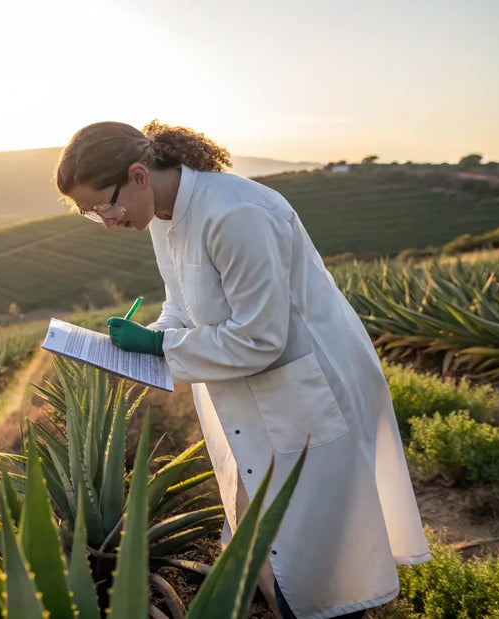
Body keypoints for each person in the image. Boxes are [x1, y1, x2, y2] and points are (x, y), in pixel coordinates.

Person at [53, 120, 430, 619]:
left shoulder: (237, 214)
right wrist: (144, 339)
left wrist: (161, 347)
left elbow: (261, 339)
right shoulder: (164, 217)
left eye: (105, 206)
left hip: (304, 389)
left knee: (317, 553)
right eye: (92, 215)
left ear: (139, 175)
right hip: (252, 392)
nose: (105, 221)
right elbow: (183, 308)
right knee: (267, 534)